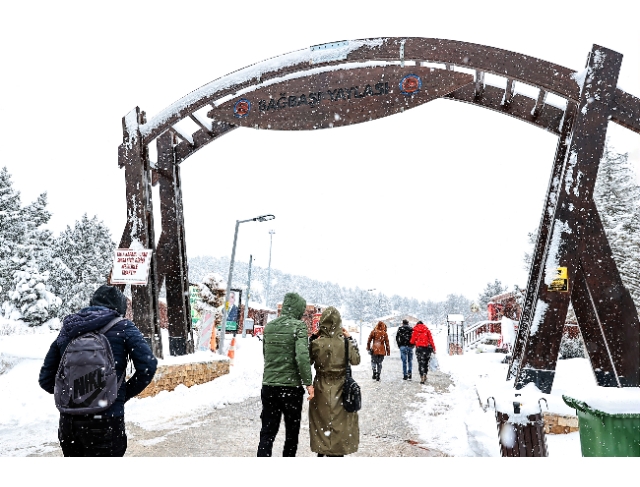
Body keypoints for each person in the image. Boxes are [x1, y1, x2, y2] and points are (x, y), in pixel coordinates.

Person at [38, 285, 157, 456]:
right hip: (107, 420)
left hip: (69, 424)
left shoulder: (69, 328)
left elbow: (46, 379)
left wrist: (74, 395)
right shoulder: (123, 327)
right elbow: (148, 366)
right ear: (120, 307)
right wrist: (119, 394)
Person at [257, 292, 314, 457]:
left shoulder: (270, 326)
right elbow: (302, 357)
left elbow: (266, 354)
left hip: (269, 387)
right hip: (291, 389)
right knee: (291, 434)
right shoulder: (299, 326)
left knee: (267, 432)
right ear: (297, 310)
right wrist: (308, 383)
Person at [309, 307, 360, 457]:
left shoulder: (318, 343)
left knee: (321, 423)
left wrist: (312, 339)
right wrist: (350, 339)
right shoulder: (344, 343)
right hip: (341, 387)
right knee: (339, 424)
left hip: (321, 387)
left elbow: (308, 360)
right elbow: (356, 360)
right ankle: (337, 454)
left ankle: (322, 450)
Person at [410, 321, 436, 385]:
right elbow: (431, 340)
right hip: (427, 349)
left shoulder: (415, 331)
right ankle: (425, 374)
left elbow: (412, 341)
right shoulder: (427, 330)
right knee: (426, 363)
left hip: (419, 349)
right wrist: (434, 348)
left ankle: (422, 376)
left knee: (420, 363)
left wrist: (415, 342)